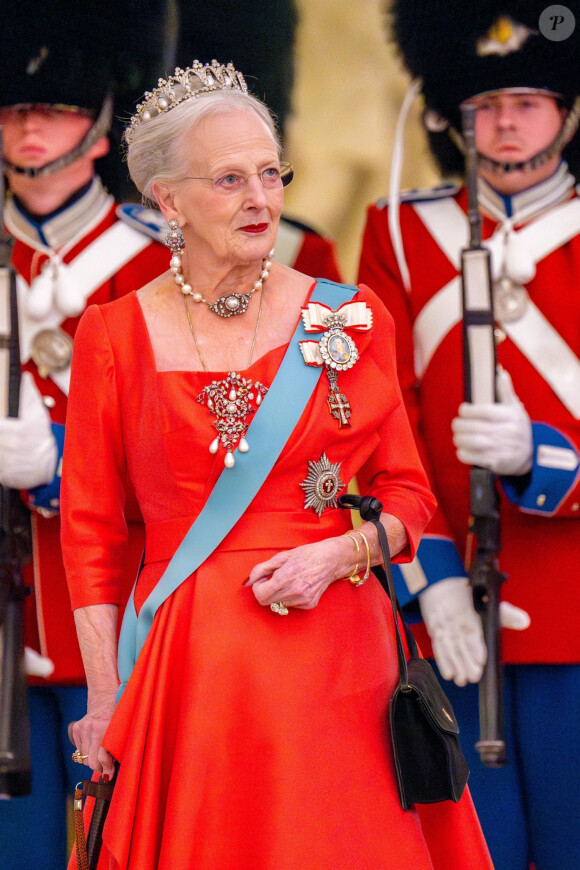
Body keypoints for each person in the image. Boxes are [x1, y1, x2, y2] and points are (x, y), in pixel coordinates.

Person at [61, 59, 492, 869]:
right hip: (191, 662)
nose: (259, 198)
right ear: (167, 199)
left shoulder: (350, 315)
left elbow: (409, 493)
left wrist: (346, 550)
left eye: (270, 173)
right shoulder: (112, 334)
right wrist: (104, 692)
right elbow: (88, 533)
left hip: (340, 658)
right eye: (228, 179)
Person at [358, 2, 580, 868]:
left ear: (564, 107)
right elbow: (379, 417)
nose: (506, 120)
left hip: (573, 602)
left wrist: (545, 458)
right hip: (449, 606)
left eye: (528, 99)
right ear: (454, 114)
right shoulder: (402, 235)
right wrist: (431, 573)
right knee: (471, 850)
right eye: (484, 104)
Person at [0, 5, 168, 868]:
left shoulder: (164, 263)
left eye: (58, 107)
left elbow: (212, 453)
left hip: (120, 622)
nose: (32, 124)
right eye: (17, 107)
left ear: (102, 126)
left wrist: (61, 467)